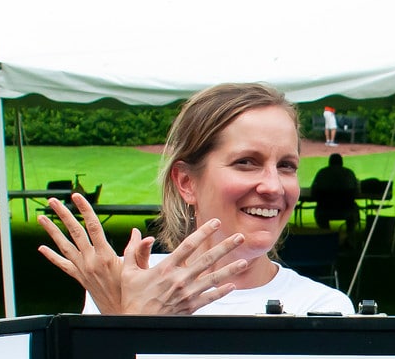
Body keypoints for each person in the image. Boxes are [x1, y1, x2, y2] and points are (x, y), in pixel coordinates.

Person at [39, 82, 353, 316]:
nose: (273, 186)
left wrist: (129, 323)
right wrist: (119, 312)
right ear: (187, 182)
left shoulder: (322, 308)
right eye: (246, 162)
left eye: (286, 166)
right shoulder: (127, 282)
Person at [310, 152, 360, 231]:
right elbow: (357, 192)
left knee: (319, 212)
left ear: (329, 162)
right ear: (341, 162)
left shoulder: (322, 173)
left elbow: (313, 192)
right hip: (347, 210)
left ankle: (326, 234)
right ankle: (350, 235)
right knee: (355, 210)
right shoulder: (349, 173)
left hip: (324, 211)